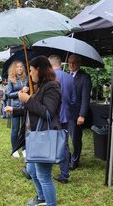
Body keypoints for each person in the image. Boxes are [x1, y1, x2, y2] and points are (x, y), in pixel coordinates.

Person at [5, 56, 61, 206]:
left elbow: (48, 112)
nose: (29, 74)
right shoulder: (40, 87)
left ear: (39, 70)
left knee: (43, 175)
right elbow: (31, 110)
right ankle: (41, 197)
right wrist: (15, 110)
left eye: (31, 70)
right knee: (32, 171)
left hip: (43, 137)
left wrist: (28, 100)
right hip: (33, 137)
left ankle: (50, 203)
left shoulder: (52, 87)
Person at [49, 55, 75, 184]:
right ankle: (64, 174)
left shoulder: (50, 77)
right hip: (66, 115)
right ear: (60, 63)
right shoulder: (70, 77)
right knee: (64, 145)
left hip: (52, 116)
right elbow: (74, 99)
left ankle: (44, 170)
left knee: (47, 141)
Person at [68, 54, 92, 170]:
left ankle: (75, 160)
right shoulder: (66, 76)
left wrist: (82, 115)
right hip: (65, 113)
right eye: (70, 62)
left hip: (76, 114)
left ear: (79, 63)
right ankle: (67, 158)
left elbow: (85, 98)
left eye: (74, 62)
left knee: (75, 139)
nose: (71, 65)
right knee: (63, 137)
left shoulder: (85, 77)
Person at [6, 60, 28, 158]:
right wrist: (19, 92)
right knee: (15, 129)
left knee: (24, 129)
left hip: (25, 107)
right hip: (14, 107)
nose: (20, 68)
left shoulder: (26, 78)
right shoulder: (11, 79)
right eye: (17, 67)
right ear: (14, 68)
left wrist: (27, 90)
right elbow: (9, 94)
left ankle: (24, 149)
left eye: (21, 66)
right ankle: (14, 149)